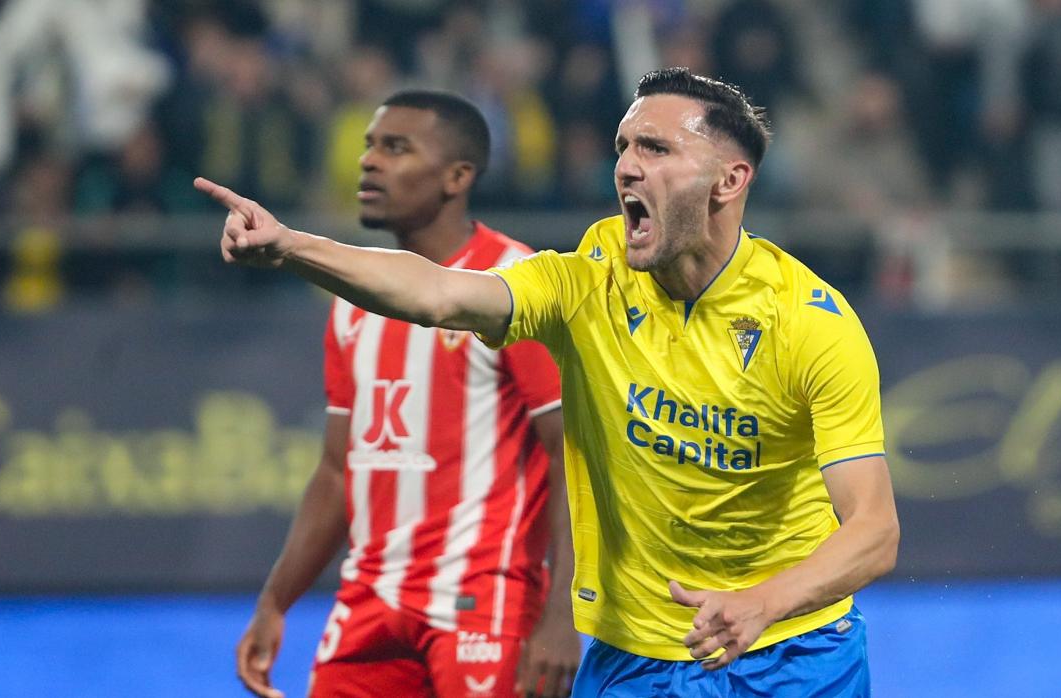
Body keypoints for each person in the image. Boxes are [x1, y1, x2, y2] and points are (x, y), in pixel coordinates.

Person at [202, 68, 899, 697]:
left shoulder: (810, 323)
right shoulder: (588, 280)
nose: (626, 167)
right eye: (624, 146)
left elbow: (873, 530)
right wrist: (293, 246)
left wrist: (763, 602)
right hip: (635, 659)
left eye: (655, 149)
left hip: (792, 655)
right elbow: (439, 293)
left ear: (729, 181)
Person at [232, 90, 581, 698]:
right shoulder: (350, 302)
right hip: (369, 601)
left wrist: (563, 614)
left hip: (481, 602)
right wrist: (275, 601)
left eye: (396, 148)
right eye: (369, 145)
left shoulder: (515, 286)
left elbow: (571, 456)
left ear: (457, 176)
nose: (369, 161)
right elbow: (339, 471)